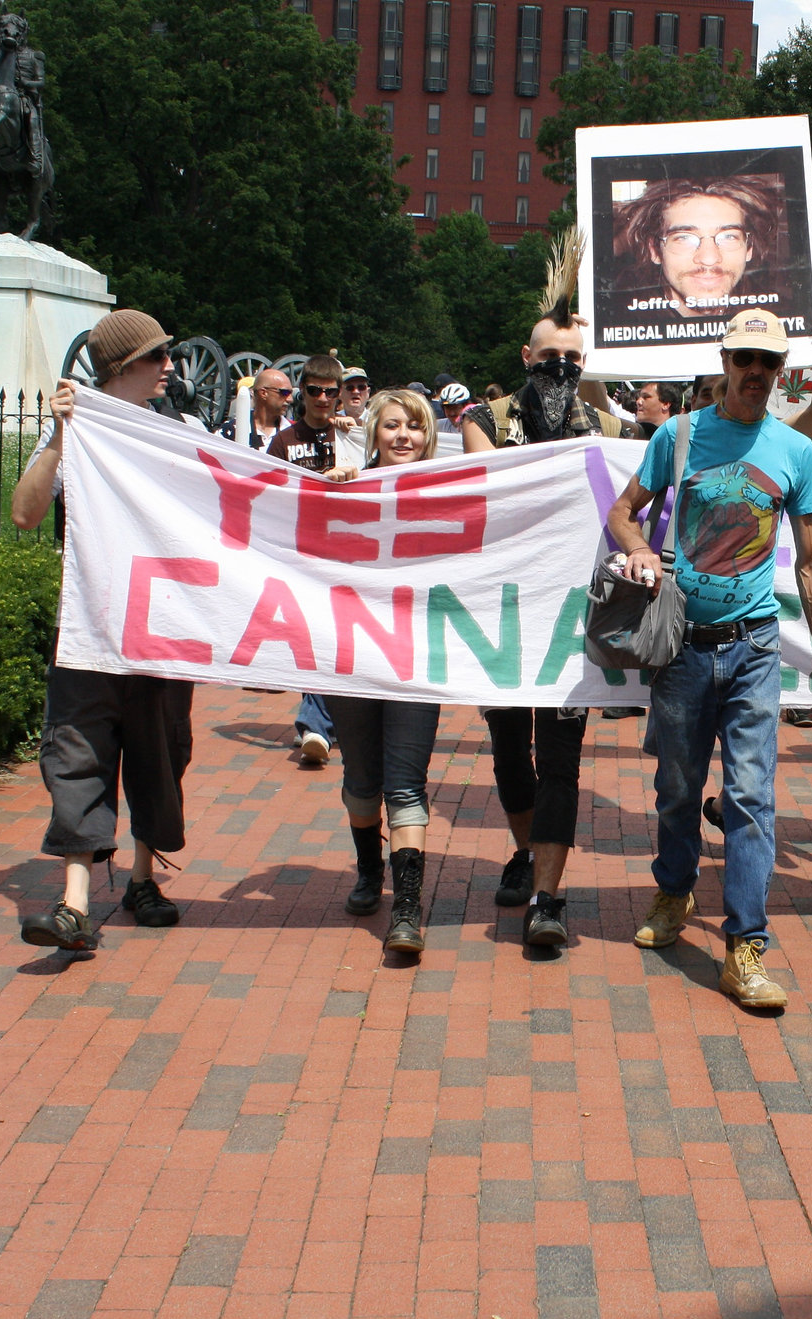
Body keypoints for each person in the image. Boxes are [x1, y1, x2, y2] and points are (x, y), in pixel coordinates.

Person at [606, 308, 812, 1009]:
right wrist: (639, 546)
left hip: (755, 649)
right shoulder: (678, 437)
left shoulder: (794, 451)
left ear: (781, 370)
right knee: (678, 788)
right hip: (681, 648)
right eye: (746, 359)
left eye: (769, 363)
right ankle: (675, 892)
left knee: (749, 799)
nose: (757, 374)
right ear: (725, 360)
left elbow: (811, 561)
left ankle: (746, 947)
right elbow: (623, 510)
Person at [8, 309, 193, 949]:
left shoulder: (185, 429)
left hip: (164, 627)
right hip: (88, 626)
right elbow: (26, 513)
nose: (170, 365)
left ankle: (142, 879)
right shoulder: (76, 427)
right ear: (122, 367)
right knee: (77, 753)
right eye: (157, 356)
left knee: (159, 753)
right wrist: (59, 434)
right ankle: (75, 902)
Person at [464, 245, 630, 942]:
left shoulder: (612, 431)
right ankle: (526, 847)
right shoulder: (487, 418)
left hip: (571, 621)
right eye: (550, 358)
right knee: (509, 753)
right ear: (526, 357)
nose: (562, 370)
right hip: (504, 616)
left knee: (561, 757)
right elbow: (484, 489)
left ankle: (548, 898)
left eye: (574, 360)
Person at [320, 388, 444, 954]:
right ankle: (370, 871)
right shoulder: (347, 485)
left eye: (414, 427)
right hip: (354, 660)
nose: (403, 436)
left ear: (428, 436)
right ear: (374, 434)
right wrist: (333, 488)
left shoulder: (451, 493)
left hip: (417, 661)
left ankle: (408, 907)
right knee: (362, 782)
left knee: (405, 784)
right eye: (391, 425)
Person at [268, 353, 350, 766]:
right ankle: (315, 725)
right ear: (302, 391)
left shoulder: (351, 436)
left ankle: (325, 722)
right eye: (314, 390)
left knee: (340, 638)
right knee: (318, 636)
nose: (322, 398)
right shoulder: (284, 441)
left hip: (350, 552)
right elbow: (270, 494)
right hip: (304, 552)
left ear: (339, 393)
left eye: (330, 391)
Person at [604, 176, 789, 320]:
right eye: (684, 238)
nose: (709, 258)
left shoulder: (780, 316)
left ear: (749, 248)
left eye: (729, 236)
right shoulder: (617, 319)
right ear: (655, 250)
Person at [224, 368, 294, 449]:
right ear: (263, 393)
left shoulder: (294, 432)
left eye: (291, 393)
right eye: (285, 392)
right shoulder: (229, 431)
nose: (290, 399)